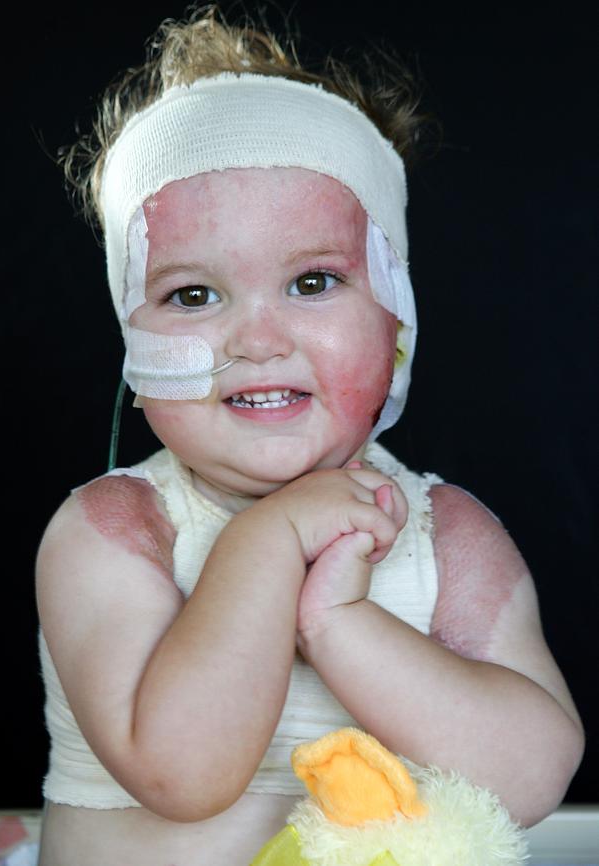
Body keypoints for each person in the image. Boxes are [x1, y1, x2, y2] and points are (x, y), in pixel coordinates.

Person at [34, 7, 584, 865]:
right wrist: (269, 543)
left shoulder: (446, 534)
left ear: (396, 321)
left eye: (313, 281)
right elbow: (182, 771)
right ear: (134, 354)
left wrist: (341, 622)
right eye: (192, 295)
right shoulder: (114, 532)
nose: (257, 339)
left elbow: (532, 778)